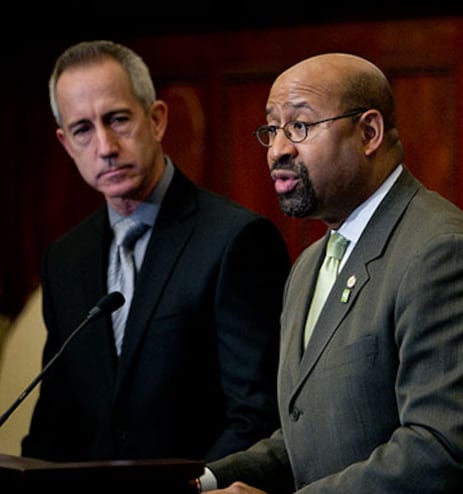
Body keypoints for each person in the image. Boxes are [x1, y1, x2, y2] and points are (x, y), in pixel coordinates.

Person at [195, 53, 463, 494]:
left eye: (300, 126)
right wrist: (204, 481)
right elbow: (311, 431)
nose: (278, 149)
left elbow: (440, 451)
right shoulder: (310, 264)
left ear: (369, 133)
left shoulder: (443, 255)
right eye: (272, 129)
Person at [21, 40, 291, 463]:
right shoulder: (64, 258)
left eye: (118, 120)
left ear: (157, 119)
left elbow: (256, 416)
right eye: (83, 130)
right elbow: (56, 420)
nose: (105, 147)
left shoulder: (235, 240)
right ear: (66, 143)